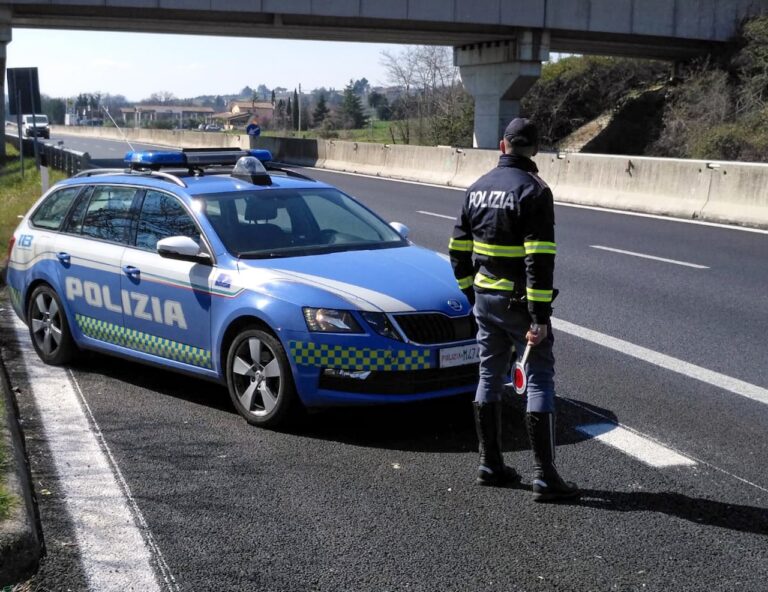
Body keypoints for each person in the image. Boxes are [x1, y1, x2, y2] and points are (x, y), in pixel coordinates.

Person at [449, 118, 579, 502]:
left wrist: (471, 294)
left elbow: (457, 251)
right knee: (538, 378)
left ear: (502, 146)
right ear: (534, 150)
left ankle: (490, 464)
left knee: (489, 374)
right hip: (519, 304)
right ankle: (544, 476)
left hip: (485, 298)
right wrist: (539, 317)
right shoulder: (535, 191)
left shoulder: (476, 189)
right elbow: (539, 259)